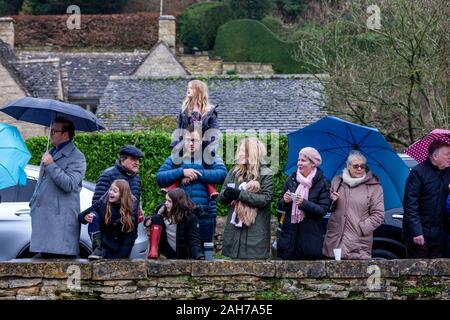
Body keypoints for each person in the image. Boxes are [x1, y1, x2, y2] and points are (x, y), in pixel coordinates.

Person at [156, 127, 227, 246]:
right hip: (179, 214)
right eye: (188, 140)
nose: (191, 143)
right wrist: (182, 172)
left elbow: (222, 175)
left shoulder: (211, 156)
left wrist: (195, 173)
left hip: (205, 213)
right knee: (181, 254)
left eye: (195, 140)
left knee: (204, 254)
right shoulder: (175, 158)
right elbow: (160, 178)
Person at [29, 117, 86, 258]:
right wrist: (33, 202)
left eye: (54, 131)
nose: (51, 134)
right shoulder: (51, 152)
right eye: (51, 130)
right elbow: (42, 182)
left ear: (65, 134)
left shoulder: (77, 157)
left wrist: (51, 165)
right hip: (44, 223)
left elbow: (70, 184)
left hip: (59, 227)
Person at [218, 137, 274, 259]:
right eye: (239, 150)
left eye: (243, 151)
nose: (239, 153)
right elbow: (221, 200)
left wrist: (239, 195)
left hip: (254, 234)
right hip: (234, 233)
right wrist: (227, 194)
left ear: (252, 153)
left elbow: (265, 200)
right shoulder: (234, 172)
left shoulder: (265, 173)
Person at [322, 150, 384, 260]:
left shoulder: (374, 187)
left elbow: (378, 215)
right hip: (335, 240)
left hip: (358, 243)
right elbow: (327, 208)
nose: (359, 169)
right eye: (356, 166)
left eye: (362, 166)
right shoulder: (337, 181)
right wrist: (332, 200)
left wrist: (361, 228)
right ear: (348, 166)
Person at [165, 80, 220, 198]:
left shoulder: (209, 111)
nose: (188, 89)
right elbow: (179, 128)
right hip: (187, 143)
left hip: (202, 144)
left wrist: (211, 148)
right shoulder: (184, 110)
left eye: (191, 88)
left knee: (206, 165)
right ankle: (170, 187)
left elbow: (214, 131)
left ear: (199, 91)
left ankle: (211, 190)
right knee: (179, 164)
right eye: (187, 87)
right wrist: (175, 143)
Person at [88, 145, 144, 259]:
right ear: (122, 160)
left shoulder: (137, 178)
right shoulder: (107, 175)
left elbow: (135, 206)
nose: (137, 163)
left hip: (127, 234)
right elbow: (97, 205)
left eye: (138, 160)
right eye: (133, 159)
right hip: (109, 235)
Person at [276, 147, 330, 260]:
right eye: (299, 160)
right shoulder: (291, 179)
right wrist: (285, 201)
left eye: (303, 160)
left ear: (313, 164)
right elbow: (279, 204)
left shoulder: (323, 183)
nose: (299, 163)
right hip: (289, 240)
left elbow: (322, 210)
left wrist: (304, 203)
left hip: (309, 241)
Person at [403, 140, 450, 258]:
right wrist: (416, 231)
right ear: (435, 156)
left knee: (439, 271)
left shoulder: (448, 172)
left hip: (439, 233)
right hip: (420, 232)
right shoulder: (418, 172)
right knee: (418, 269)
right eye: (447, 154)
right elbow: (410, 205)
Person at [79, 179, 138, 259]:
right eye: (110, 189)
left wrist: (122, 255)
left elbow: (131, 235)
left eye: (115, 191)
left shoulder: (131, 209)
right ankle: (98, 249)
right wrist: (85, 217)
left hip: (118, 247)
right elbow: (81, 216)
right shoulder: (103, 202)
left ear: (122, 195)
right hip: (103, 244)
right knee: (93, 215)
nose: (110, 192)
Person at [144, 188, 204, 260]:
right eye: (166, 200)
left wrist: (198, 254)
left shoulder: (190, 217)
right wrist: (147, 220)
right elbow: (153, 218)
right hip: (167, 252)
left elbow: (194, 238)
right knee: (157, 218)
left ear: (178, 203)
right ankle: (153, 251)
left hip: (183, 254)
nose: (166, 203)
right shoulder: (162, 211)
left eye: (169, 201)